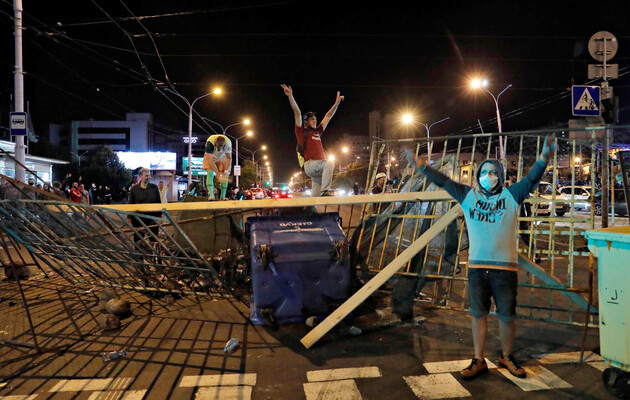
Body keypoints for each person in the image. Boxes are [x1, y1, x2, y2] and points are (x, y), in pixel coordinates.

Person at [408, 136, 556, 381]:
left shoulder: (511, 196)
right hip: (477, 270)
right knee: (479, 315)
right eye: (485, 172)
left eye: (494, 172)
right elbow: (444, 181)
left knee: (507, 316)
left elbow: (531, 180)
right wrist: (422, 167)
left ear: (501, 176)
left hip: (505, 270)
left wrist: (543, 159)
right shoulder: (468, 196)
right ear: (477, 176)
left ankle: (506, 356)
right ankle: (478, 360)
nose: (489, 176)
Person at [281, 84, 343, 197]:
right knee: (329, 162)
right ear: (306, 121)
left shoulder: (318, 131)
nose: (315, 121)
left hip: (318, 166)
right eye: (312, 119)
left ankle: (312, 205)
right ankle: (325, 191)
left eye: (315, 119)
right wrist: (290, 96)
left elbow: (328, 116)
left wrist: (336, 104)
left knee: (315, 196)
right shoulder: (301, 131)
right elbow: (297, 112)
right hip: (310, 164)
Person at [128, 168, 162, 243]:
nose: (148, 177)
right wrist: (129, 217)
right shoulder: (134, 189)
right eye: (146, 176)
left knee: (154, 241)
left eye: (149, 175)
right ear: (140, 176)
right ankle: (139, 251)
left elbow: (158, 202)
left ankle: (154, 251)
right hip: (138, 220)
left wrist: (160, 217)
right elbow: (130, 204)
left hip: (152, 219)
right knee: (138, 241)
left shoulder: (154, 188)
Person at [203, 135, 232, 200]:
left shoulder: (228, 143)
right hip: (211, 156)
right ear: (215, 142)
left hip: (223, 156)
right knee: (210, 172)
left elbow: (228, 157)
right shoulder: (210, 142)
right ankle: (211, 196)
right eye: (217, 146)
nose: (218, 149)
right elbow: (209, 161)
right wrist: (217, 173)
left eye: (220, 147)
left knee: (225, 174)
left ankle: (223, 196)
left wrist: (226, 170)